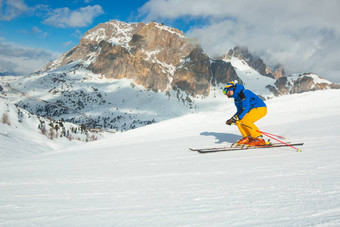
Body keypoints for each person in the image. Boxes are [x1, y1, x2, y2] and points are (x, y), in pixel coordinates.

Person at [223, 81, 267, 146]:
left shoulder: (244, 93)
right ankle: (248, 138)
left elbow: (246, 107)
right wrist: (232, 119)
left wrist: (237, 117)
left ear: (231, 89)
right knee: (239, 121)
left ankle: (259, 139)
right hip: (252, 110)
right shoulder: (236, 99)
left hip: (260, 108)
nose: (225, 94)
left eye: (225, 91)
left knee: (246, 120)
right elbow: (239, 111)